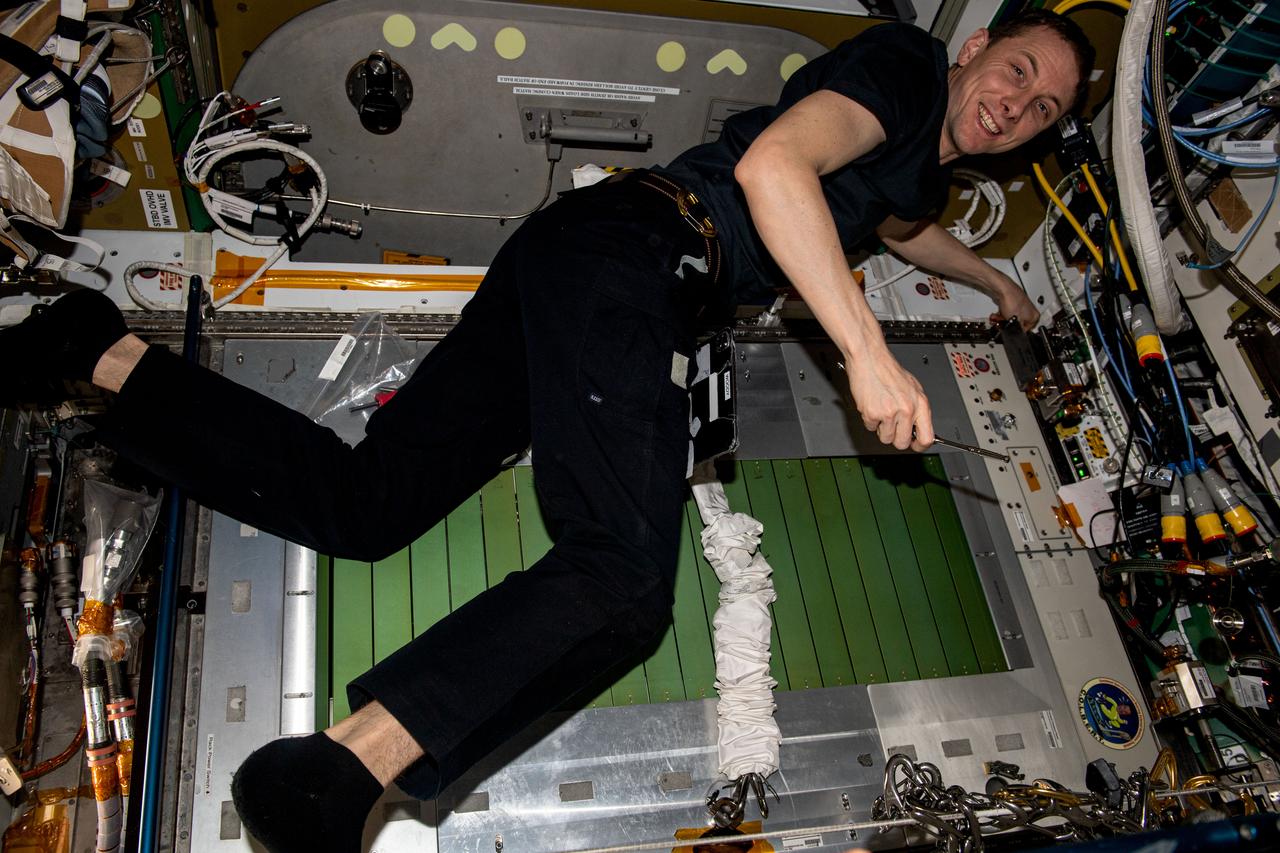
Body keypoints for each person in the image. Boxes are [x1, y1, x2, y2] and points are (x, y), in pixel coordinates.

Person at [0, 10, 1092, 851]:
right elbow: (772, 171)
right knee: (619, 578)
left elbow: (908, 233)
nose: (1019, 105)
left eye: (1043, 110)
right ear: (974, 47)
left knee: (363, 504)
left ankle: (98, 353)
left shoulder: (910, 171)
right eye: (1017, 73)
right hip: (643, 258)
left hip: (582, 259)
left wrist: (994, 280)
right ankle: (332, 772)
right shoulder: (900, 68)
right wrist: (862, 350)